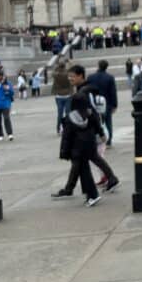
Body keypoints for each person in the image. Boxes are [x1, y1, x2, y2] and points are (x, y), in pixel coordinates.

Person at [55, 64, 112, 207]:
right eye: (69, 76)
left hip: (82, 136)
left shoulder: (82, 94)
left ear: (81, 75)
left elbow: (91, 115)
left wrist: (100, 132)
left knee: (82, 165)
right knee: (81, 164)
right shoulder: (82, 92)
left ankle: (92, 193)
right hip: (84, 135)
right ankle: (82, 191)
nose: (70, 79)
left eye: (72, 76)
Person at [86, 60, 118, 147]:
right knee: (107, 122)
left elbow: (87, 90)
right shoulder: (109, 77)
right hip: (106, 102)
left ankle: (96, 138)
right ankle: (108, 140)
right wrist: (114, 105)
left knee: (94, 121)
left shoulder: (90, 77)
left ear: (98, 65)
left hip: (93, 102)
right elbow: (113, 92)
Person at [51, 62, 73, 134]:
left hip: (59, 96)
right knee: (68, 113)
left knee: (60, 113)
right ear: (64, 67)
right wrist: (69, 63)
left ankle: (58, 128)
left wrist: (56, 67)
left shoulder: (56, 74)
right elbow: (71, 70)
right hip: (68, 95)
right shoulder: (67, 74)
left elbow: (52, 72)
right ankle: (68, 128)